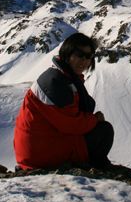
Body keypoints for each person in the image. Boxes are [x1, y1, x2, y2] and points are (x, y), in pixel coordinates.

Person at [14, 32, 114, 170]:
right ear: (67, 55)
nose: (84, 61)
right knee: (104, 131)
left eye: (89, 56)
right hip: (40, 154)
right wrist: (94, 119)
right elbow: (72, 124)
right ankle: (95, 169)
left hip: (36, 148)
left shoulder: (61, 76)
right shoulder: (56, 83)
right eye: (80, 55)